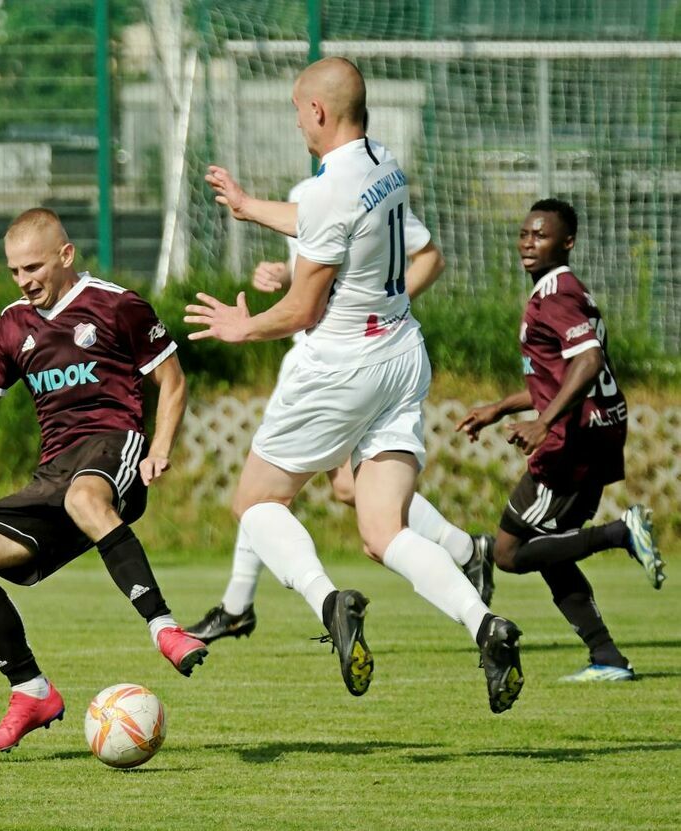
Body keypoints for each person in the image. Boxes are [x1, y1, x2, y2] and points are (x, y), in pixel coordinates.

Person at [184, 57, 524, 713]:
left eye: (295, 109)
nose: (295, 121)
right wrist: (252, 206)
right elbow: (333, 222)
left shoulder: (325, 190)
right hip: (401, 355)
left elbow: (303, 310)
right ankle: (484, 623)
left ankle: (328, 602)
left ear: (316, 112)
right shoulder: (382, 161)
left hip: (339, 366)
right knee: (381, 528)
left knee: (257, 502)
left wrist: (241, 326)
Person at [0, 208, 207, 754]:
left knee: (84, 494)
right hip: (54, 471)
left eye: (34, 267)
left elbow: (172, 379)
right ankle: (31, 691)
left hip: (115, 445)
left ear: (66, 256)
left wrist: (160, 446)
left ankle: (163, 626)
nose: (24, 281)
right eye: (15, 271)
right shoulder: (11, 326)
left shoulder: (119, 306)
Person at [187, 174, 495, 645]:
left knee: (262, 493)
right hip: (331, 360)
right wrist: (284, 273)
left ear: (319, 115)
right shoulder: (311, 194)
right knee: (349, 489)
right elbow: (329, 267)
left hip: (336, 367)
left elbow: (428, 258)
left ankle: (242, 605)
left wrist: (380, 315)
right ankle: (464, 550)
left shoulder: (368, 189)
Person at [456, 199, 665, 682]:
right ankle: (607, 657)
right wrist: (500, 409)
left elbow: (588, 363)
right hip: (596, 432)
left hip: (571, 442)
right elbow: (557, 374)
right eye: (525, 234)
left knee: (508, 552)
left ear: (566, 242)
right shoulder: (566, 290)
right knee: (552, 548)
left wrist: (544, 423)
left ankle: (619, 534)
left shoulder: (555, 296)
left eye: (541, 235)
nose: (529, 243)